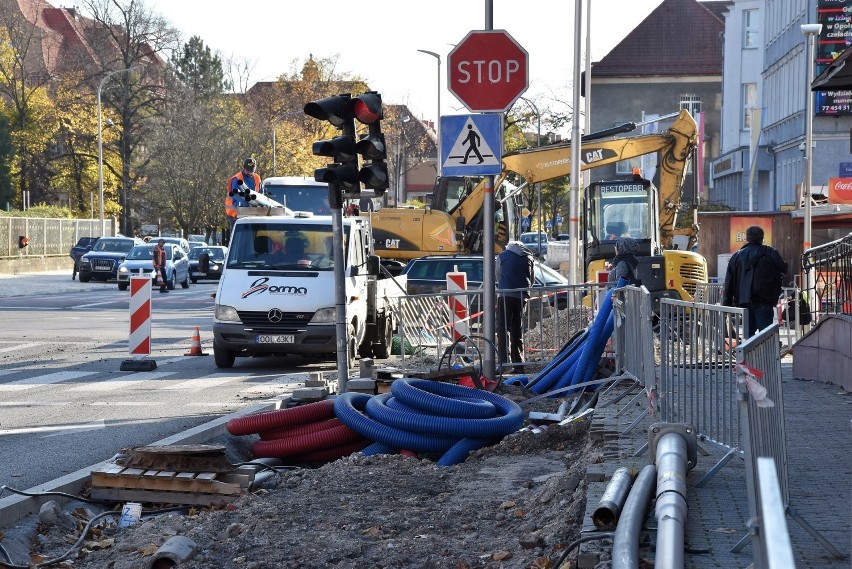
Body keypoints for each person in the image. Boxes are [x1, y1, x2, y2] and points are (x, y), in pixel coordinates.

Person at [722, 225, 788, 338]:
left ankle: (748, 356)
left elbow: (728, 284)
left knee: (748, 336)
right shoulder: (770, 252)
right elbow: (783, 269)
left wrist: (726, 305)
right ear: (762, 238)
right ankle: (766, 355)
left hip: (743, 302)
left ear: (747, 239)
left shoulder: (736, 256)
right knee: (766, 335)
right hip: (765, 300)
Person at [496, 241, 535, 372]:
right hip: (521, 297)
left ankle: (503, 363)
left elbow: (498, 275)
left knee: (503, 329)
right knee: (517, 330)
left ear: (509, 247)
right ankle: (518, 365)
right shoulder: (529, 257)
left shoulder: (502, 256)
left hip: (505, 295)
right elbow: (532, 279)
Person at [226, 157, 261, 236]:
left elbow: (260, 193)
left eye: (251, 170)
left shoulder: (257, 178)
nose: (250, 172)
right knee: (238, 236)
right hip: (235, 212)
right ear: (244, 168)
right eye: (248, 170)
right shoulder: (237, 179)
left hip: (252, 211)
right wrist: (247, 203)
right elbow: (236, 195)